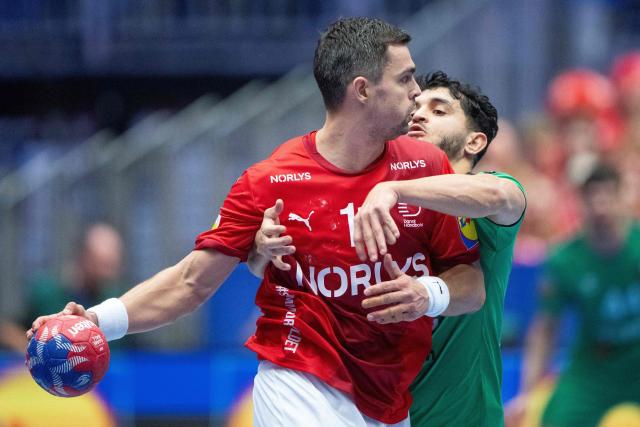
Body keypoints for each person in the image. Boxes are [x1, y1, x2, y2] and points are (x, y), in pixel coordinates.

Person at [28, 19, 484, 427]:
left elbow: (472, 283)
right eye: (405, 79)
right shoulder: (269, 182)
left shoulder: (425, 167)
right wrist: (95, 319)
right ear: (362, 90)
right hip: (299, 380)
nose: (417, 94)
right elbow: (190, 283)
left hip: (387, 399)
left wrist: (429, 294)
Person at [252, 71, 526, 426]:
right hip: (379, 414)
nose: (419, 114)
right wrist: (261, 250)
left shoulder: (487, 194)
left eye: (439, 111)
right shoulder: (370, 200)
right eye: (417, 106)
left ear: (474, 143)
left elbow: (499, 196)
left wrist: (397, 190)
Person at [507, 164, 640, 427]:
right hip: (593, 366)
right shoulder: (564, 260)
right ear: (579, 202)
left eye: (608, 195)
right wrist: (526, 393)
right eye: (592, 197)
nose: (600, 206)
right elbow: (545, 329)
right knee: (554, 419)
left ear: (623, 197)